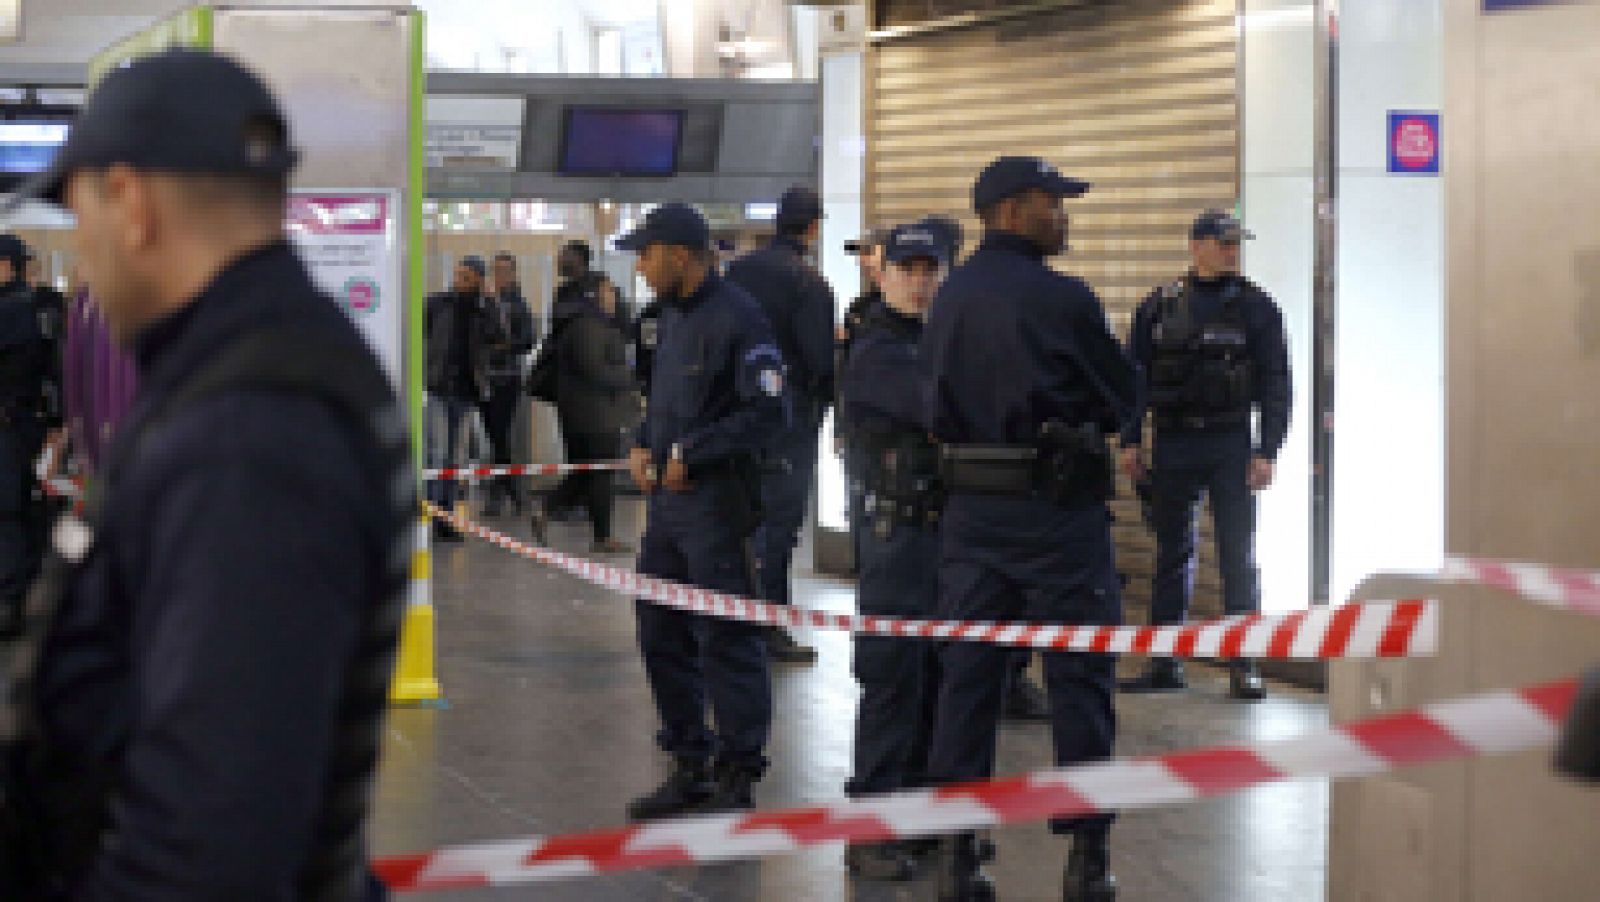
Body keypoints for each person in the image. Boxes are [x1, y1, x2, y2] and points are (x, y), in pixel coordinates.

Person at [0, 48, 412, 899]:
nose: (83, 254)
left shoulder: (253, 431)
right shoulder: (247, 371)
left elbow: (211, 844)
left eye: (79, 218)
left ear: (131, 203)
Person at [921, 156, 1137, 901]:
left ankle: (957, 856)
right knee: (1079, 679)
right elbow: (1120, 397)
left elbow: (932, 403)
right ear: (1013, 211)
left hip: (972, 516)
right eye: (1055, 203)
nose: (1064, 216)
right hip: (1057, 517)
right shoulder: (1064, 299)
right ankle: (1087, 860)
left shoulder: (948, 300)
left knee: (968, 682)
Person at [619, 203, 786, 822]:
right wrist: (642, 440)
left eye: (646, 253)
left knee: (728, 638)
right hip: (669, 510)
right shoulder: (669, 319)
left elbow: (769, 412)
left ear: (680, 255)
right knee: (660, 629)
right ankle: (689, 761)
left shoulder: (741, 319)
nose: (639, 266)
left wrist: (696, 452)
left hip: (721, 508)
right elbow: (664, 403)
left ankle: (737, 775)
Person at [1118, 210, 1292, 701]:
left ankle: (1244, 662)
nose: (1233, 252)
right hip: (1173, 441)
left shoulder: (1257, 308)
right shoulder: (1160, 305)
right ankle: (1165, 660)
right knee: (1172, 554)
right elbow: (1135, 379)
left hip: (1229, 444)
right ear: (1196, 246)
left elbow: (1277, 382)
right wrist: (1131, 439)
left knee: (1238, 556)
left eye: (1237, 244)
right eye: (1224, 243)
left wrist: (1268, 448)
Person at [840, 223, 950, 881]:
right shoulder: (876, 349)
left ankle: (919, 815)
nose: (918, 280)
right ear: (883, 275)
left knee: (938, 678)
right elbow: (933, 407)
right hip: (896, 535)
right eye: (906, 269)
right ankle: (870, 826)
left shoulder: (939, 339)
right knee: (890, 679)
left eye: (928, 269)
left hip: (944, 534)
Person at [725, 185, 837, 665]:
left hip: (739, 415)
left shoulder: (738, 272)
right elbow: (818, 361)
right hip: (790, 421)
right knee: (781, 528)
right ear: (813, 227)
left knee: (740, 522)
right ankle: (768, 626)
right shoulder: (808, 282)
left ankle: (729, 621)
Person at [535, 277, 636, 554]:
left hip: (587, 412)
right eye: (608, 290)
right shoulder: (587, 326)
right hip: (594, 414)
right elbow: (594, 369)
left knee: (584, 474)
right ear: (593, 294)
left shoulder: (589, 323)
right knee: (600, 474)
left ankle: (547, 508)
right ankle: (602, 536)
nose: (613, 296)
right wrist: (629, 376)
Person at [425, 255, 500, 542]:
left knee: (454, 458)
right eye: (457, 274)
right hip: (438, 389)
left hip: (466, 393)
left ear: (479, 281)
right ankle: (432, 515)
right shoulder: (438, 303)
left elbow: (500, 336)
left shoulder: (482, 311)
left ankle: (445, 517)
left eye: (466, 276)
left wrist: (491, 301)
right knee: (437, 454)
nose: (459, 281)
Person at [0, 234, 53, 638]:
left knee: (9, 512)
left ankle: (11, 601)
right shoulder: (30, 306)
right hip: (24, 423)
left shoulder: (13, 309)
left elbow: (17, 372)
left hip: (12, 426)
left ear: (7, 265)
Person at [481, 252, 536, 517]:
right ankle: (509, 488)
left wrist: (503, 347)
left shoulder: (518, 305)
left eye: (506, 270)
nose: (501, 275)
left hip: (508, 379)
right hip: (483, 378)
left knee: (500, 435)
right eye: (497, 270)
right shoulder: (485, 302)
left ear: (514, 274)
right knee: (492, 437)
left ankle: (505, 489)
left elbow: (527, 340)